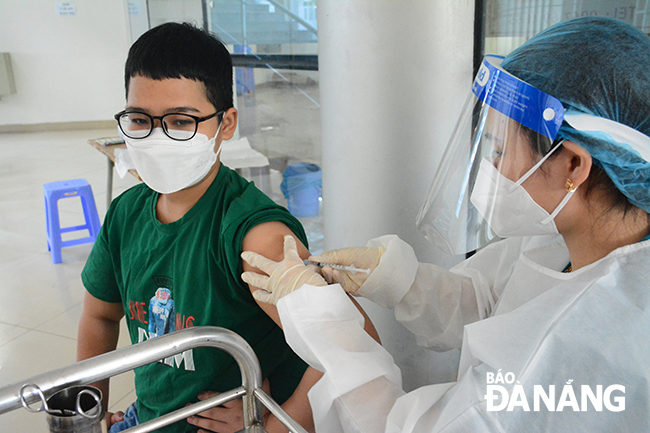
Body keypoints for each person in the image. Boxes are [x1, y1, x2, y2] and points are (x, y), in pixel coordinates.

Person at [240, 17, 650, 432]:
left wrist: (327, 329)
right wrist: (402, 281)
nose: (490, 167)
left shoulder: (575, 348)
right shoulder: (571, 236)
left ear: (573, 165)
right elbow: (492, 299)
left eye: (500, 149)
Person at [76, 22, 357, 433]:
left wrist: (273, 426)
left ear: (226, 125)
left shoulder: (253, 236)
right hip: (150, 418)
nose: (156, 138)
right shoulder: (126, 215)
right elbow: (99, 316)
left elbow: (352, 346)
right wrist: (90, 407)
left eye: (180, 121)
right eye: (139, 119)